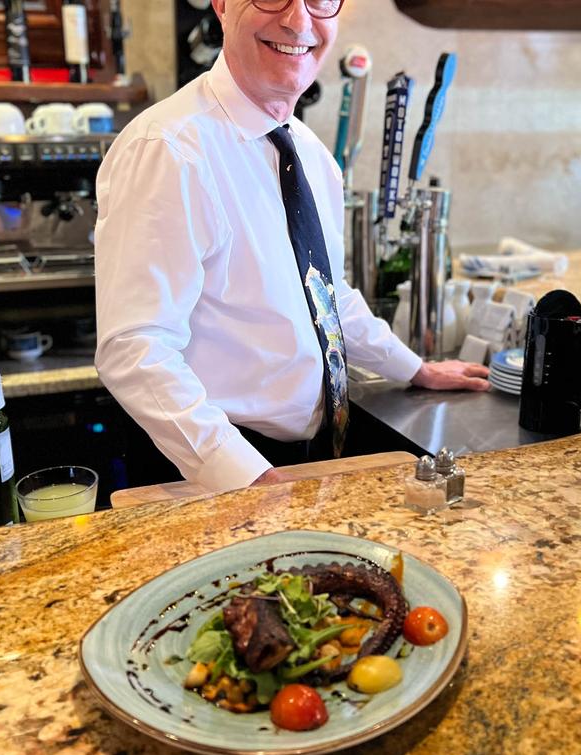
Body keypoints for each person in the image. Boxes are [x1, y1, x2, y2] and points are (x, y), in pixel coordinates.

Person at [94, 0, 489, 493]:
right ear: (221, 5)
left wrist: (415, 368)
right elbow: (134, 348)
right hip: (210, 468)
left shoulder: (312, 156)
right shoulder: (168, 148)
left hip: (308, 457)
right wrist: (244, 474)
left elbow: (328, 298)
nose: (298, 20)